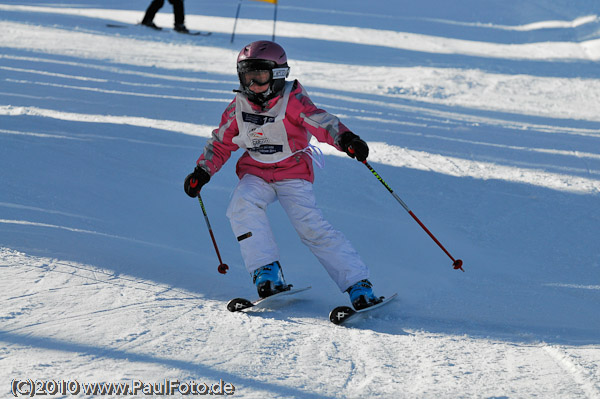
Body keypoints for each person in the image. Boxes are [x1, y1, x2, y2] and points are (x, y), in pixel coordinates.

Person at [184, 40, 381, 310]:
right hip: (256, 171)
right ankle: (267, 273)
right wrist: (202, 171)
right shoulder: (238, 106)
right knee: (241, 205)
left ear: (277, 75)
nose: (253, 85)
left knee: (310, 227)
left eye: (260, 77)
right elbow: (220, 142)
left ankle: (359, 285)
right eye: (247, 77)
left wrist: (346, 139)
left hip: (292, 172)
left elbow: (321, 121)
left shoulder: (292, 100)